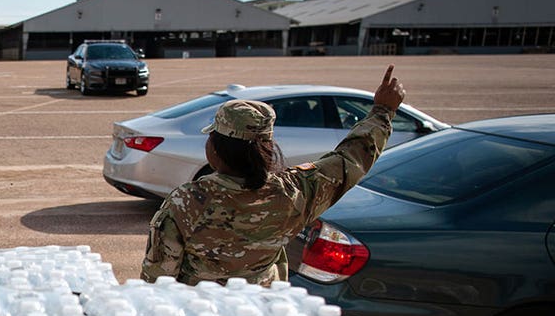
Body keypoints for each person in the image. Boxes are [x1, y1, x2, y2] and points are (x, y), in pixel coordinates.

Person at [140, 64, 405, 287]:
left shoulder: (186, 201)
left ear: (217, 150)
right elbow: (351, 159)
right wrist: (383, 112)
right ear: (266, 148)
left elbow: (159, 279)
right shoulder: (294, 193)